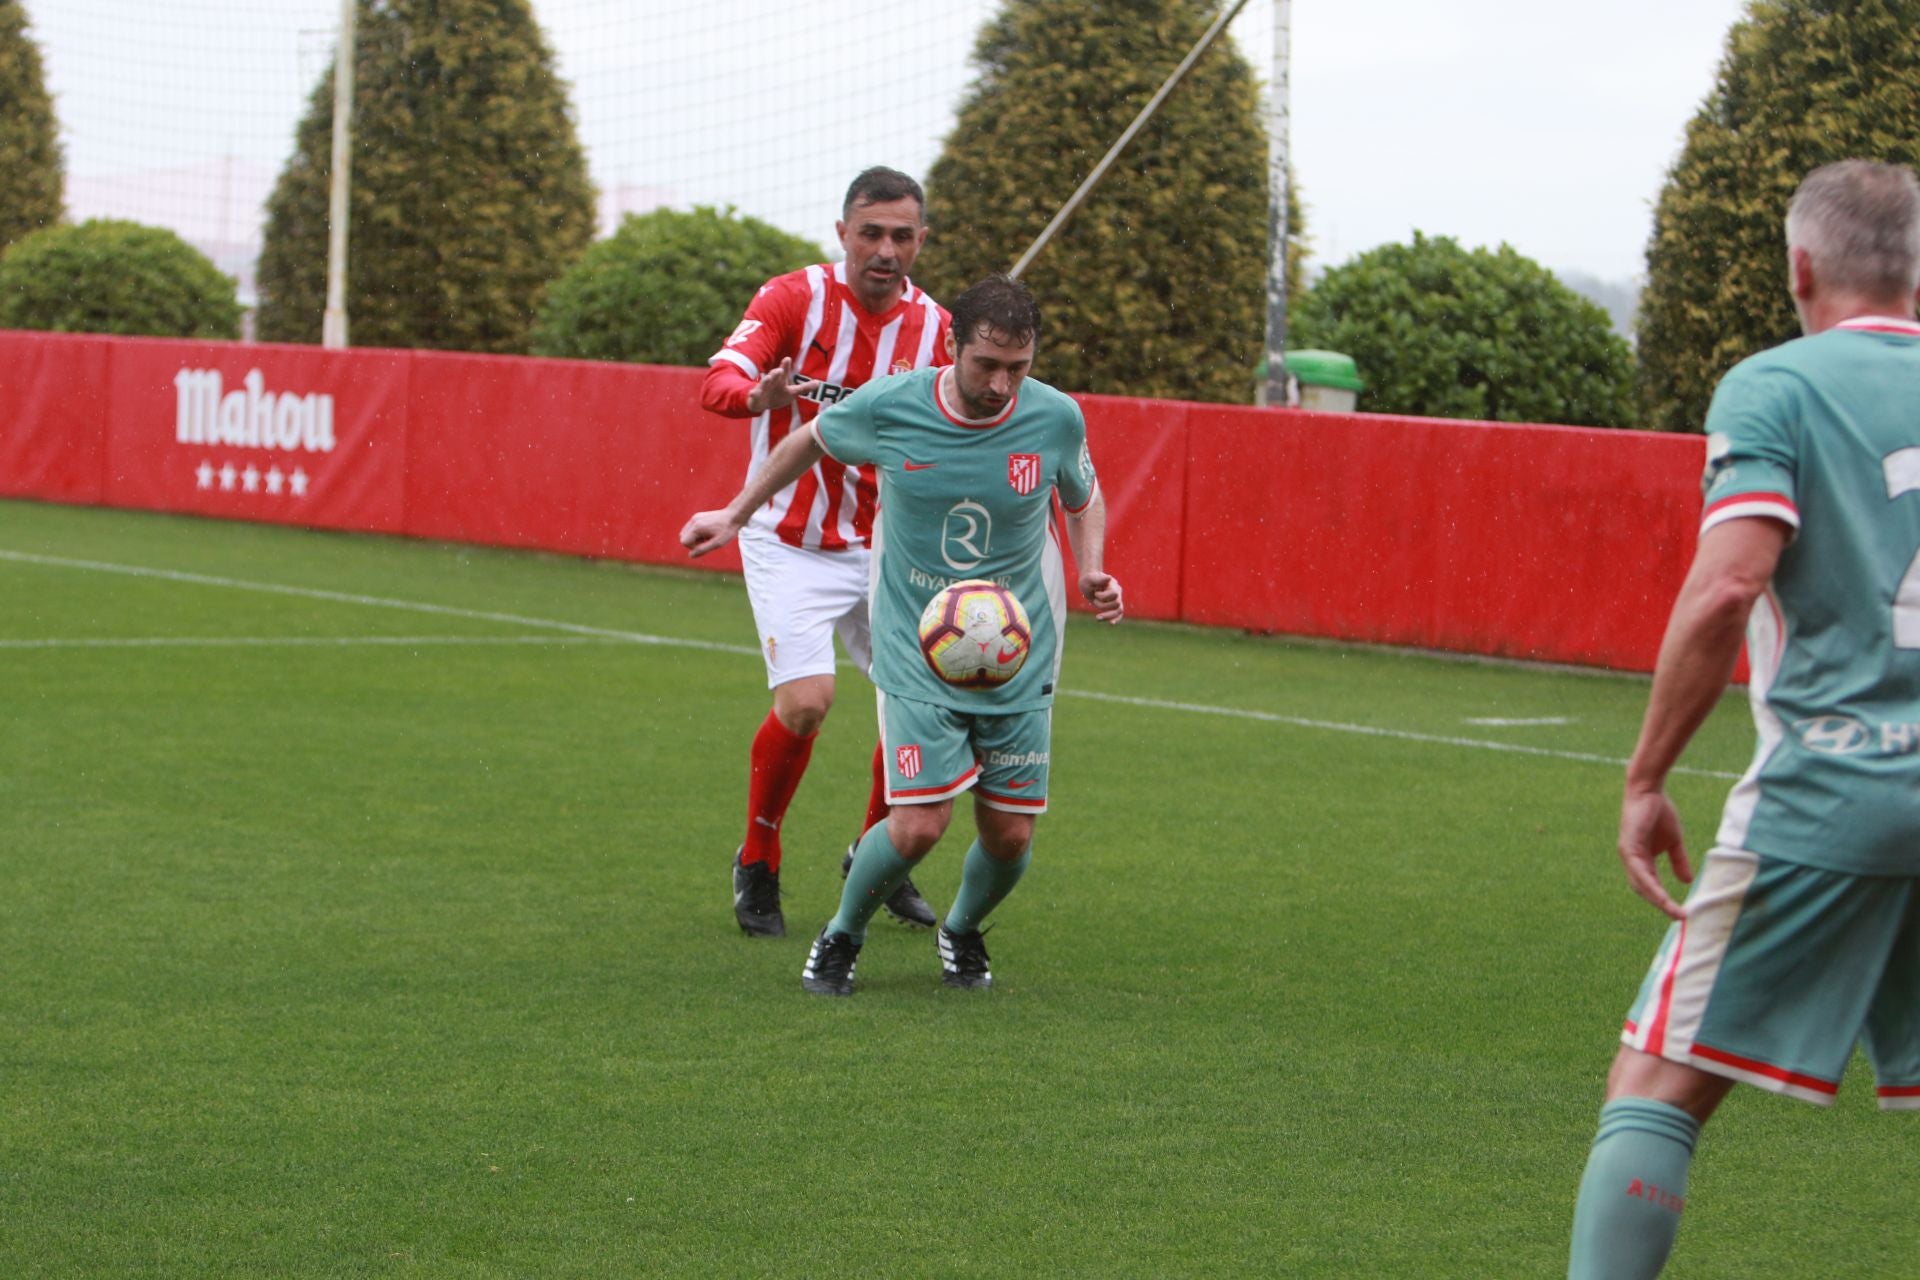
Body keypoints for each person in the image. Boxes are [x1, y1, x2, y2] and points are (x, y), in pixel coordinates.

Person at [1567, 159, 1920, 1279]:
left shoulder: (1777, 385)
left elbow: (1727, 586)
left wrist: (1645, 774)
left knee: (1658, 1078)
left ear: (1800, 266)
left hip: (1834, 790)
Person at [683, 274, 1124, 995]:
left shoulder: (1054, 417)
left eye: (1018, 367)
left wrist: (1093, 570)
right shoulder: (893, 406)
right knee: (918, 825)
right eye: (986, 364)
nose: (1001, 383)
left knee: (1011, 835)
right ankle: (843, 932)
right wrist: (734, 515)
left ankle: (962, 929)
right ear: (952, 346)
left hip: (1020, 645)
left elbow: (1083, 494)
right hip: (919, 639)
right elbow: (807, 440)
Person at [699, 167, 950, 939]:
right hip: (789, 537)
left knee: (926, 709)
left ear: (920, 241)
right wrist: (759, 398)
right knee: (807, 703)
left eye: (901, 236)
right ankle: (759, 856)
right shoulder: (792, 299)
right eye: (870, 233)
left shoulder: (936, 327)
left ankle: (878, 856)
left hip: (887, 546)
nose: (885, 250)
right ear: (842, 231)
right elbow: (718, 380)